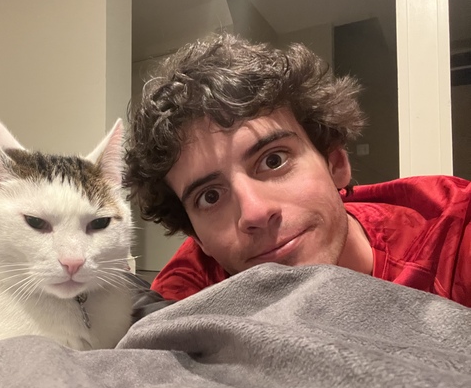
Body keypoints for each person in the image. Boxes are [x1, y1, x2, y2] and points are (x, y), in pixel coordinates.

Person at [124, 32, 471, 306]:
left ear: (335, 162)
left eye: (273, 160)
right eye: (210, 196)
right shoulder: (188, 294)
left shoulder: (451, 238)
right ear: (200, 240)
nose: (255, 212)